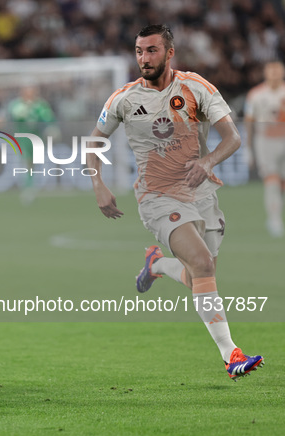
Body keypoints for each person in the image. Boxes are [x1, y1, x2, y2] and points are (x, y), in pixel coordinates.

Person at [86, 24, 264, 381]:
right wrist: (98, 184)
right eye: (139, 51)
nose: (144, 58)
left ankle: (156, 266)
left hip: (201, 190)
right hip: (157, 194)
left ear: (169, 53)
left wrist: (208, 161)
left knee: (199, 272)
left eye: (151, 51)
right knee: (201, 263)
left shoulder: (196, 88)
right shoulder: (123, 98)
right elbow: (93, 143)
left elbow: (233, 138)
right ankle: (231, 355)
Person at [244, 61, 285, 238]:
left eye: (278, 70)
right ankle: (274, 220)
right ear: (266, 73)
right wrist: (248, 147)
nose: (275, 73)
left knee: (281, 184)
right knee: (272, 181)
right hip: (265, 142)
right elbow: (249, 121)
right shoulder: (255, 94)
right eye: (271, 70)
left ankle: (276, 215)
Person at [7, 83, 58, 204]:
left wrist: (52, 128)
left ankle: (30, 187)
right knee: (27, 161)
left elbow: (48, 118)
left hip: (37, 138)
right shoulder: (17, 105)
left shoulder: (40, 105)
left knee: (32, 163)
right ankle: (28, 188)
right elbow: (14, 116)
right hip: (22, 138)